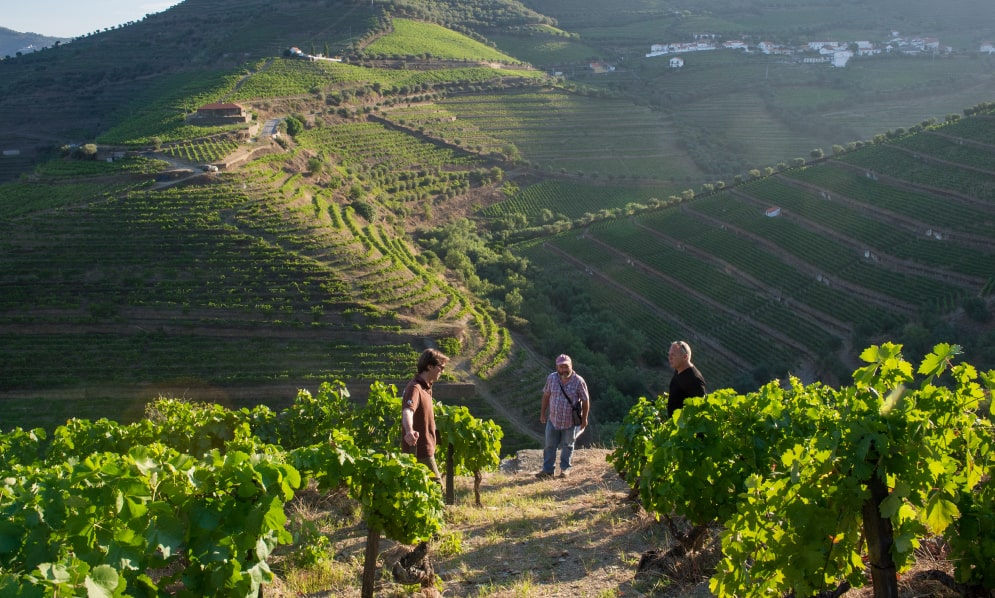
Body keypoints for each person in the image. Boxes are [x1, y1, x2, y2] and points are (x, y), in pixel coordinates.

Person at [537, 354, 590, 479]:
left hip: (570, 422)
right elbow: (546, 396)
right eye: (561, 367)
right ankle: (548, 470)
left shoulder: (579, 381)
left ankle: (565, 470)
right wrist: (542, 413)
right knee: (550, 445)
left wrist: (584, 418)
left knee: (568, 446)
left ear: (571, 366)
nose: (563, 370)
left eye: (566, 366)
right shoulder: (551, 378)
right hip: (553, 419)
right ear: (557, 367)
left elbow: (585, 400)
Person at [401, 348, 449, 485]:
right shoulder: (415, 388)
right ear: (429, 366)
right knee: (437, 489)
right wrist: (409, 430)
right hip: (420, 450)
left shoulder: (426, 388)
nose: (443, 371)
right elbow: (407, 411)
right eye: (441, 367)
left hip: (426, 447)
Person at [666, 340, 706, 416]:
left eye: (673, 355)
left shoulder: (695, 380)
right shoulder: (678, 370)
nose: (669, 358)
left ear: (685, 357)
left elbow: (699, 410)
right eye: (669, 355)